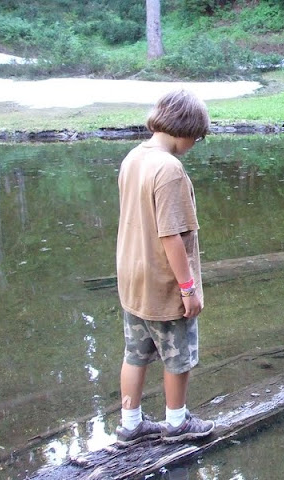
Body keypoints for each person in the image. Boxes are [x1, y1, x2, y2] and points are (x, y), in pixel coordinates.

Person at [114, 90, 215, 446]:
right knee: (177, 357)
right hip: (163, 282)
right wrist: (188, 289)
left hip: (133, 279)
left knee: (135, 353)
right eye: (197, 137)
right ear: (185, 130)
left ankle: (130, 425)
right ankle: (176, 423)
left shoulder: (133, 157)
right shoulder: (170, 170)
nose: (195, 144)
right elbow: (171, 236)